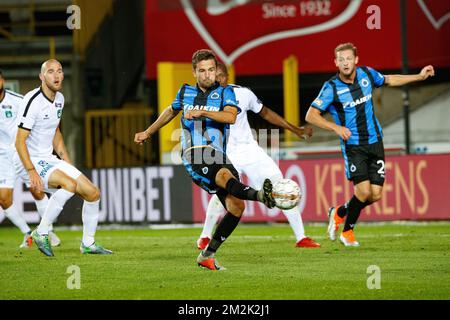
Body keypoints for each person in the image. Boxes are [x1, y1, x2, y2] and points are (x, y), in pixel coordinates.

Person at [135, 49, 276, 271]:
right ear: (195, 72)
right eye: (203, 71)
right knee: (223, 176)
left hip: (219, 155)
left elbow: (230, 116)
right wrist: (148, 132)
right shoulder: (185, 92)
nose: (208, 75)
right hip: (195, 152)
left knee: (236, 206)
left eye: (211, 70)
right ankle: (261, 195)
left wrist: (202, 113)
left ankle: (206, 255)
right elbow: (170, 111)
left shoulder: (225, 93)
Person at [305, 42, 435, 247]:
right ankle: (347, 232)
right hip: (354, 146)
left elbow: (390, 79)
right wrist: (335, 128)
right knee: (363, 192)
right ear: (336, 63)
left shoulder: (367, 74)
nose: (345, 63)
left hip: (375, 141)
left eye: (349, 58)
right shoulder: (331, 88)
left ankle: (339, 212)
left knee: (375, 195)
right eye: (341, 60)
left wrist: (419, 76)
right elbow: (311, 115)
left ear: (356, 60)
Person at [196, 62, 320, 250]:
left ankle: (301, 237)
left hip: (250, 150)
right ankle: (205, 236)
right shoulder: (203, 99)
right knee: (223, 192)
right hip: (225, 153)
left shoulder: (242, 94)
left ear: (227, 77)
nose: (216, 79)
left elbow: (266, 113)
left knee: (280, 185)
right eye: (213, 75)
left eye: (220, 75)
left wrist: (295, 129)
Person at [15, 59, 112, 256]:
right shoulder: (32, 101)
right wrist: (31, 171)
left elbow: (56, 132)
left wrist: (66, 160)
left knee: (93, 193)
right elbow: (19, 141)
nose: (56, 75)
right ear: (42, 77)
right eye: (51, 72)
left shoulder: (59, 98)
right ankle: (42, 232)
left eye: (59, 71)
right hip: (29, 159)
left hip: (49, 158)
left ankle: (88, 244)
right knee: (69, 185)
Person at [0, 69, 60, 248]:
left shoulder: (18, 100)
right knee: (3, 198)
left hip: (22, 152)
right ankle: (27, 234)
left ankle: (47, 231)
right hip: (2, 157)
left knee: (37, 189)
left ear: (3, 80)